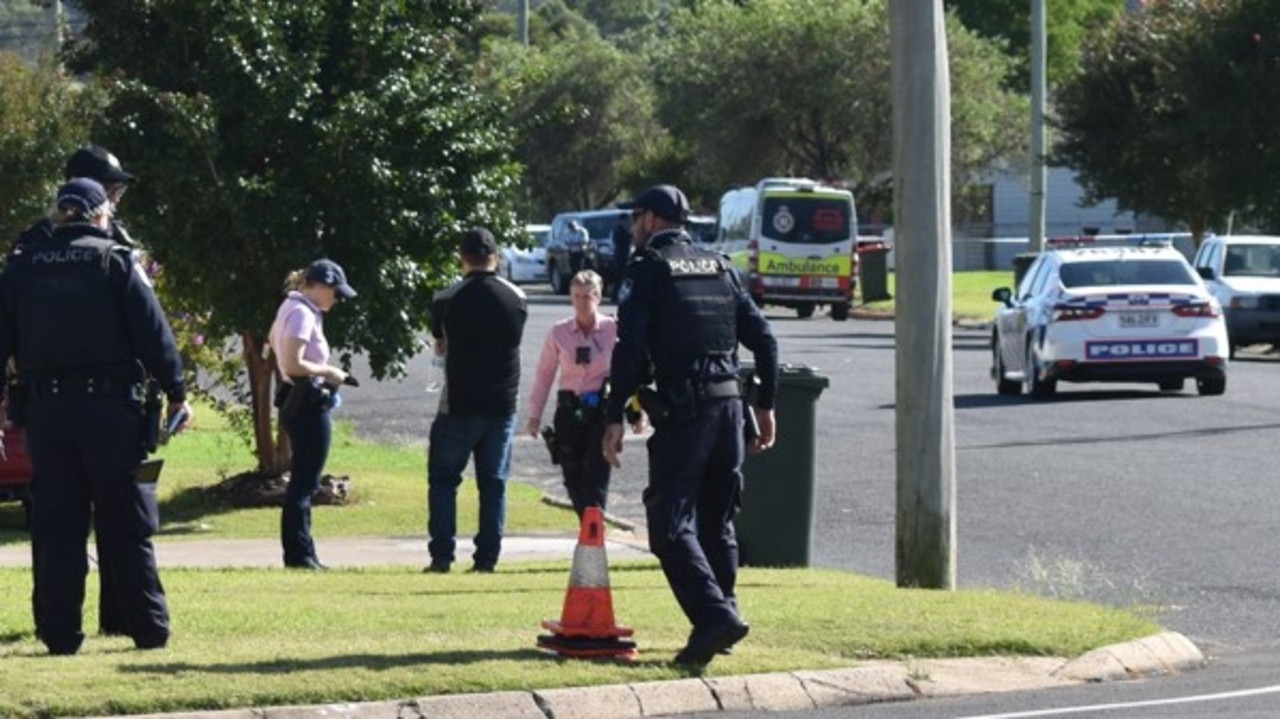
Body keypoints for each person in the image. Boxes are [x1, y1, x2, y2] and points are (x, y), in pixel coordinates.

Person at [0, 178, 192, 655]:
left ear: (60, 214)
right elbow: (154, 332)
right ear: (98, 213)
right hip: (110, 412)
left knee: (56, 525)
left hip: (46, 414)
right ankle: (148, 628)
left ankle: (60, 635)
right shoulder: (115, 260)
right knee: (125, 522)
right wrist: (176, 393)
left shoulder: (22, 267)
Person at [603, 184, 779, 667]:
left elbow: (630, 348)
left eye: (635, 217)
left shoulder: (649, 270)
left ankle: (713, 619)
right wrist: (765, 406)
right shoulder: (721, 266)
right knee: (717, 522)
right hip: (730, 410)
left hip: (688, 412)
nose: (631, 227)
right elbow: (764, 340)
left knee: (668, 522)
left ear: (652, 220)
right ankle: (724, 617)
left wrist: (615, 412)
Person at [11, 145, 139, 637]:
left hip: (102, 396)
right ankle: (58, 619)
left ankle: (117, 615)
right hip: (65, 395)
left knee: (115, 517)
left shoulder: (109, 237)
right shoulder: (38, 244)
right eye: (113, 188)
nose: (117, 197)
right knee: (60, 519)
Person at [425, 227, 528, 574]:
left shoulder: (446, 298)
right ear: (495, 257)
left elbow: (439, 341)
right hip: (502, 404)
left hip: (459, 403)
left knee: (443, 480)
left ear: (462, 258)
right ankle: (487, 558)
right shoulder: (517, 298)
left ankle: (441, 556)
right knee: (493, 483)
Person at [268, 259, 358, 571]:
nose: (338, 299)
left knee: (303, 481)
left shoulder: (290, 307)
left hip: (298, 401)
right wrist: (330, 371)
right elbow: (293, 364)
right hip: (307, 402)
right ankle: (299, 555)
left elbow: (271, 342)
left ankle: (303, 552)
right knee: (305, 483)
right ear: (318, 286)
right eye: (335, 292)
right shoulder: (303, 313)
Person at [524, 269, 634, 517]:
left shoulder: (613, 330)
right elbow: (544, 375)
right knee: (572, 476)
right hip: (569, 410)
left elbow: (629, 373)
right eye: (577, 296)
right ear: (571, 298)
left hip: (601, 412)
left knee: (595, 477)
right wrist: (534, 415)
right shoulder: (559, 332)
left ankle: (593, 534)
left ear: (598, 296)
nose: (582, 302)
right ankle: (589, 529)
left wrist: (636, 413)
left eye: (588, 296)